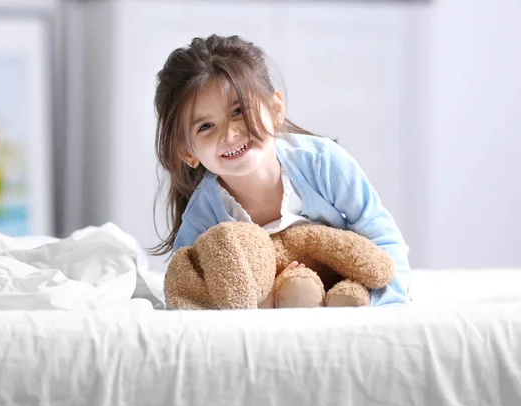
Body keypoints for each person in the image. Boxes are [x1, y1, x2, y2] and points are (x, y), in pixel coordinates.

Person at [150, 34, 410, 307]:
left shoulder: (321, 163)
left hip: (344, 286)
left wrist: (386, 309)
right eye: (205, 127)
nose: (229, 134)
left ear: (275, 109)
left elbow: (384, 240)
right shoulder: (203, 214)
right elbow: (185, 289)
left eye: (238, 111)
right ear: (188, 153)